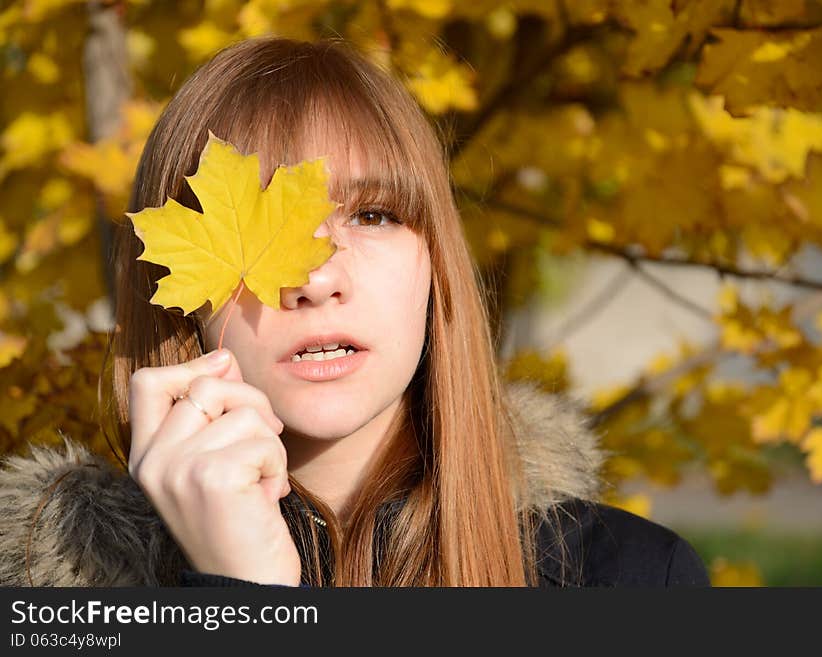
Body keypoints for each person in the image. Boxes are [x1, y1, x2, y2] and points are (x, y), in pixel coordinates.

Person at [0, 37, 709, 588]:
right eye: (262, 234)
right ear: (176, 290)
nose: (315, 279)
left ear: (437, 260)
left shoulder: (628, 577)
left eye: (373, 214)